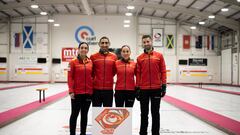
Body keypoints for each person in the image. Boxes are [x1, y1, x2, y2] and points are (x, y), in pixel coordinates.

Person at [136, 35, 167, 135]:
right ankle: (143, 132)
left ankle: (155, 133)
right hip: (144, 89)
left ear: (151, 42)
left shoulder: (159, 56)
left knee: (155, 113)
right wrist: (137, 88)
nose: (146, 43)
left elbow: (163, 71)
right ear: (142, 43)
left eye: (147, 41)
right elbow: (138, 74)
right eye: (144, 42)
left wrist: (164, 85)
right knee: (144, 114)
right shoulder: (139, 58)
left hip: (156, 88)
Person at [68, 42, 93, 135]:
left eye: (85, 48)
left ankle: (83, 133)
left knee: (84, 115)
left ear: (88, 50)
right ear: (78, 49)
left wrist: (91, 90)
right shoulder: (72, 62)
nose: (83, 49)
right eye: (82, 47)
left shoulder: (90, 62)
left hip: (88, 93)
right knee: (74, 114)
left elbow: (93, 76)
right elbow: (70, 77)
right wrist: (71, 91)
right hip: (77, 93)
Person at [90, 36, 117, 107]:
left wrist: (108, 78)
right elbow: (91, 72)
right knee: (96, 113)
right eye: (102, 43)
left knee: (107, 113)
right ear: (99, 44)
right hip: (96, 90)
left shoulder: (114, 57)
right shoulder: (93, 57)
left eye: (106, 43)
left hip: (108, 90)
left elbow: (114, 71)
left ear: (109, 44)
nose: (104, 44)